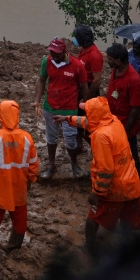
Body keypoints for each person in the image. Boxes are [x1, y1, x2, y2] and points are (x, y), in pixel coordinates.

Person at [55, 97, 140, 256]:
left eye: (87, 110)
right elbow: (89, 122)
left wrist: (98, 193)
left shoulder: (100, 136)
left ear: (94, 114)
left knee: (92, 220)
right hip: (131, 182)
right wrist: (67, 119)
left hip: (113, 188)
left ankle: (90, 252)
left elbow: (106, 169)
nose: (85, 112)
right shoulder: (114, 121)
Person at [0, 100, 37, 262]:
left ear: (1, 116)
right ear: (17, 116)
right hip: (19, 188)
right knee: (20, 219)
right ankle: (14, 246)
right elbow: (33, 163)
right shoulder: (27, 138)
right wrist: (30, 180)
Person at [35, 38, 90, 178]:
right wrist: (37, 101)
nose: (54, 57)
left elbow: (84, 86)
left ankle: (74, 164)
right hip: (50, 107)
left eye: (57, 54)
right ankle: (51, 165)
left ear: (65, 52)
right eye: (52, 54)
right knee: (51, 138)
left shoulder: (77, 65)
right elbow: (41, 80)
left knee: (71, 138)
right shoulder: (46, 62)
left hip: (69, 108)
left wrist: (87, 104)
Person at [103, 44, 140, 179]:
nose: (107, 61)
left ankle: (139, 186)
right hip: (113, 123)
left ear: (118, 61)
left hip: (125, 126)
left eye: (109, 59)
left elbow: (136, 109)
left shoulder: (134, 80)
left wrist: (125, 131)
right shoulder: (115, 71)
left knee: (131, 156)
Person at [74, 26, 104, 98]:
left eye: (76, 37)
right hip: (80, 86)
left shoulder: (94, 55)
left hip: (88, 88)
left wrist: (88, 97)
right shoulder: (82, 49)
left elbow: (97, 80)